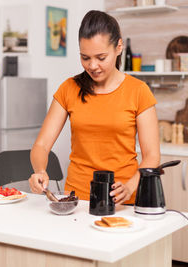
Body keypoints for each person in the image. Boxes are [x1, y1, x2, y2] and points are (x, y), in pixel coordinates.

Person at [28, 10, 160, 204]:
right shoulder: (69, 88)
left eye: (101, 57)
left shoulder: (138, 91)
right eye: (85, 57)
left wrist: (131, 186)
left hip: (123, 199)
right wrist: (40, 171)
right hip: (77, 200)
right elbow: (41, 145)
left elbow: (152, 156)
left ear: (119, 47)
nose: (92, 66)